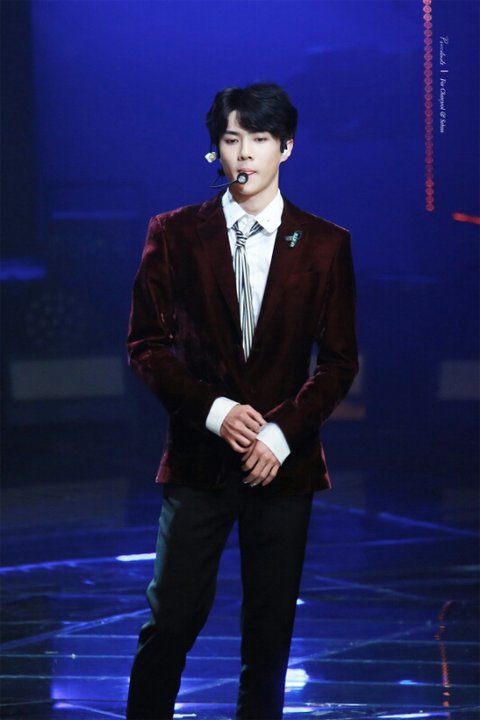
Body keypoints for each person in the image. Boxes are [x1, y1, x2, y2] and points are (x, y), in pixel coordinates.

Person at [126, 82, 358, 720]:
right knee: (170, 622)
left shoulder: (324, 243)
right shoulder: (175, 233)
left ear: (287, 147)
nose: (245, 153)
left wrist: (280, 433)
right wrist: (215, 410)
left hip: (283, 467)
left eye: (259, 139)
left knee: (269, 639)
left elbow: (339, 362)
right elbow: (145, 345)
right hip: (199, 461)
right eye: (232, 139)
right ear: (216, 150)